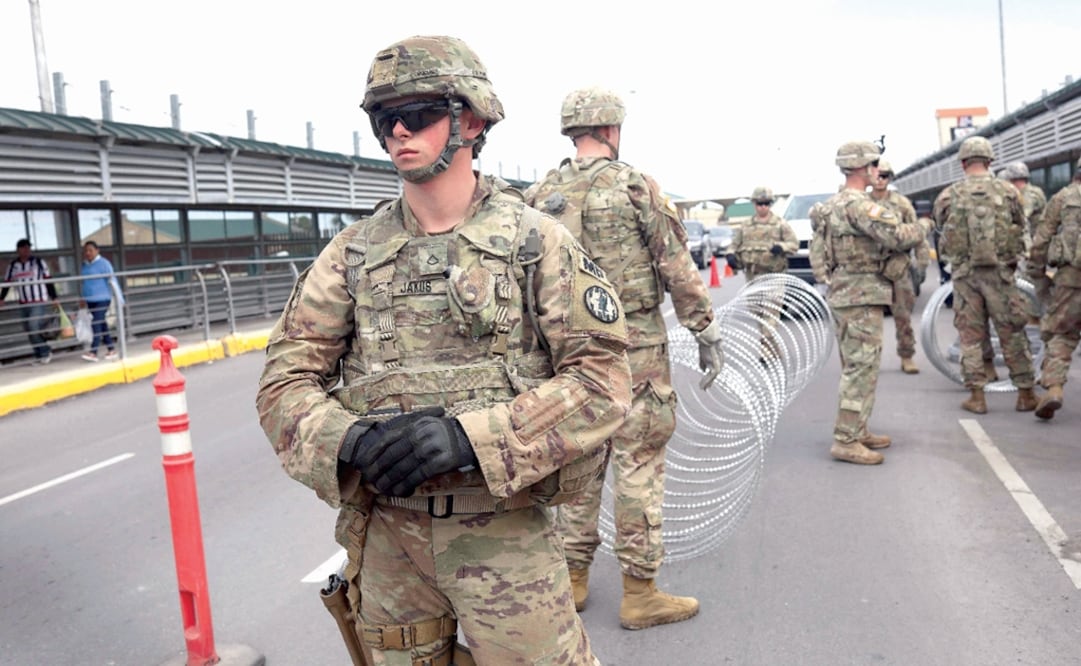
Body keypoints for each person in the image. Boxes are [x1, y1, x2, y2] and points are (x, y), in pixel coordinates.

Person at [256, 36, 633, 666]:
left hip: (506, 537)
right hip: (387, 541)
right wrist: (350, 442)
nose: (400, 129)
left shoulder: (536, 244)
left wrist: (471, 439)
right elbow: (283, 383)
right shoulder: (351, 254)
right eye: (384, 118)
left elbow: (602, 382)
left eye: (421, 112)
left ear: (472, 119)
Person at [523, 86, 724, 631]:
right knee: (638, 460)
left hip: (566, 348)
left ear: (572, 131)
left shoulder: (539, 194)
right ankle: (640, 593)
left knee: (579, 463)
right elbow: (675, 264)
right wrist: (704, 328)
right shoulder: (634, 186)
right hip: (633, 342)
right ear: (612, 130)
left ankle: (574, 580)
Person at [819, 141, 930, 464]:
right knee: (861, 367)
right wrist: (923, 226)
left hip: (848, 292)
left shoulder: (834, 204)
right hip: (860, 293)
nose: (876, 171)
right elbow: (897, 236)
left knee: (859, 365)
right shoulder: (860, 205)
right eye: (873, 165)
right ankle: (846, 439)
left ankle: (858, 428)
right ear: (862, 168)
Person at [932, 136, 1039, 414]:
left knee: (970, 335)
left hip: (966, 276)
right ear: (990, 161)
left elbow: (941, 227)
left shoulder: (948, 195)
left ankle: (977, 397)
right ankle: (1026, 393)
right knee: (1012, 331)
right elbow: (1021, 225)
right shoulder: (1009, 192)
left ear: (964, 162)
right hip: (1001, 275)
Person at [1026, 156, 1081, 420]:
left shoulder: (1062, 198)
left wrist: (1037, 274)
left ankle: (1055, 389)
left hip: (1070, 278)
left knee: (1062, 333)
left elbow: (1041, 240)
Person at [868, 159, 931, 374]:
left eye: (884, 176)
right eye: (877, 175)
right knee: (869, 319)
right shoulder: (863, 204)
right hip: (871, 268)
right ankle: (870, 360)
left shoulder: (902, 204)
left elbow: (918, 233)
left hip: (898, 266)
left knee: (903, 315)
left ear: (890, 178)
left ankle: (907, 355)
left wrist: (922, 263)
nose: (880, 180)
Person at [727, 185, 798, 360]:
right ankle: (773, 351)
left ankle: (765, 354)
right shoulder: (746, 226)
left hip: (774, 277)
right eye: (760, 203)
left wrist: (780, 247)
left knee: (770, 316)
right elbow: (734, 245)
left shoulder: (780, 224)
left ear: (770, 204)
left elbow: (794, 244)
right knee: (759, 317)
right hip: (753, 277)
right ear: (754, 204)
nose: (763, 207)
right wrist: (730, 255)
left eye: (766, 204)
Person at [1, 238, 59, 364]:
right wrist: (2, 298)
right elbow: (7, 283)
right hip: (23, 302)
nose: (27, 250)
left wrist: (54, 297)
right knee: (28, 328)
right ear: (18, 250)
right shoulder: (13, 266)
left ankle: (45, 351)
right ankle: (38, 355)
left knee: (34, 327)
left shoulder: (38, 262)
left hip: (38, 300)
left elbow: (48, 280)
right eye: (24, 248)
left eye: (28, 248)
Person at [79, 240, 124, 362]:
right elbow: (84, 283)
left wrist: (119, 298)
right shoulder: (84, 265)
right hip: (90, 299)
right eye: (86, 251)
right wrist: (82, 297)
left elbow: (112, 280)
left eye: (90, 250)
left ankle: (93, 351)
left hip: (103, 298)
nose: (88, 253)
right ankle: (111, 349)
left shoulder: (104, 264)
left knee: (96, 322)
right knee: (101, 324)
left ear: (97, 251)